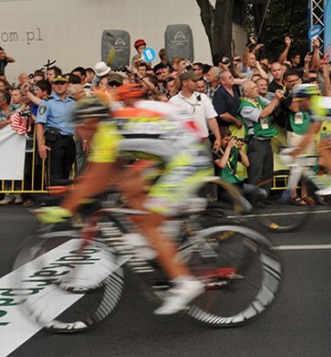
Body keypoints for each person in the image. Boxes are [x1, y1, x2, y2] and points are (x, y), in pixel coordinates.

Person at [37, 94, 213, 315]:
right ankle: (158, 236)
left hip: (187, 159)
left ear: (90, 122)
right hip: (175, 150)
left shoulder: (106, 134)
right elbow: (105, 175)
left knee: (150, 223)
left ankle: (185, 282)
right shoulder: (113, 125)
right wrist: (74, 191)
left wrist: (65, 208)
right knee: (127, 183)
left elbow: (96, 179)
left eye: (79, 125)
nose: (77, 130)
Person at [238, 80, 285, 197]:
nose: (257, 90)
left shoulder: (258, 99)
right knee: (256, 171)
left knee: (267, 170)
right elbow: (263, 114)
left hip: (266, 138)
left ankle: (264, 195)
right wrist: (275, 100)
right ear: (246, 92)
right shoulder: (244, 106)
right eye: (253, 88)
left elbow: (273, 105)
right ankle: (254, 197)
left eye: (256, 87)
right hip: (256, 140)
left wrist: (276, 98)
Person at [35, 75, 78, 185]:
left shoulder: (73, 103)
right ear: (52, 86)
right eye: (57, 83)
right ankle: (53, 199)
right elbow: (39, 123)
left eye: (62, 83)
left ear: (67, 85)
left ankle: (62, 199)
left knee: (66, 172)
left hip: (69, 140)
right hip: (54, 141)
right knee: (54, 173)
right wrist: (40, 145)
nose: (59, 86)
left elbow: (79, 123)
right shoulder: (47, 102)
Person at [168, 72, 222, 153]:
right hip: (184, 142)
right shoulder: (174, 101)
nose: (196, 83)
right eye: (193, 81)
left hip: (203, 140)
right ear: (184, 83)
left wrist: (218, 138)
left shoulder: (203, 98)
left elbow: (211, 119)